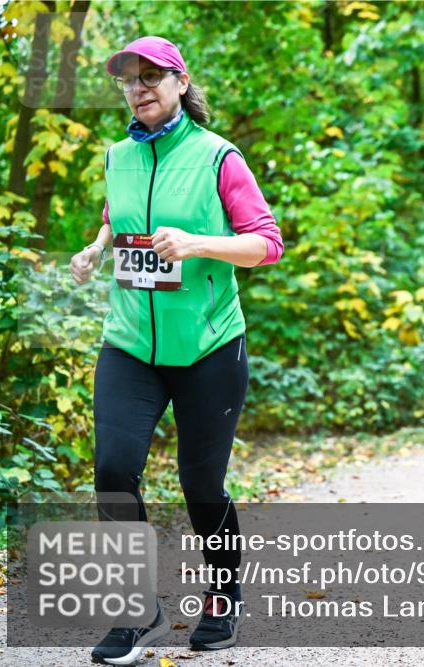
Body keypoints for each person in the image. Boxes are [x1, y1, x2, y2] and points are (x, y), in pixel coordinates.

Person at [68, 36, 283, 664]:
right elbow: (118, 215)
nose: (139, 89)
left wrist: (198, 244)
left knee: (201, 485)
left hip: (210, 347)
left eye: (151, 78)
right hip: (130, 343)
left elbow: (266, 243)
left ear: (180, 83)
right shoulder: (117, 156)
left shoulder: (219, 158)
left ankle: (223, 595)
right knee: (112, 470)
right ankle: (139, 613)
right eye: (129, 81)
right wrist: (97, 246)